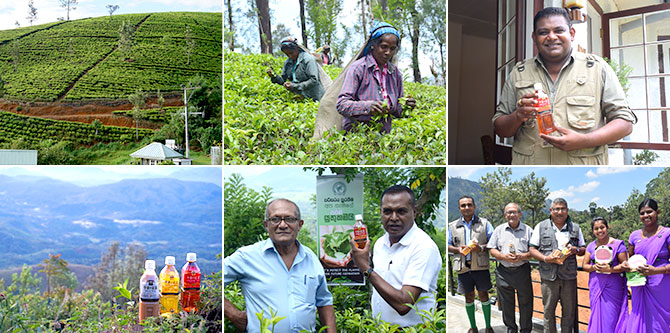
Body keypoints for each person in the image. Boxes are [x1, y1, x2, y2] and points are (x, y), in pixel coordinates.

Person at [492, 7, 636, 165]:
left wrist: (584, 140)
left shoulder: (597, 68)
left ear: (572, 34)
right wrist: (518, 116)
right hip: (530, 171)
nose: (551, 37)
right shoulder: (518, 73)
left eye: (559, 30)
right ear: (534, 37)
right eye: (543, 32)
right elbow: (500, 129)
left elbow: (625, 123)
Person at [224, 198, 337, 332]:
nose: (282, 225)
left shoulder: (310, 258)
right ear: (266, 224)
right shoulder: (247, 256)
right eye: (275, 219)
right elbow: (213, 280)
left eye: (289, 219)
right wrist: (234, 315)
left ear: (300, 224)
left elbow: (324, 302)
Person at [349, 185, 441, 327]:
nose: (393, 218)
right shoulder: (380, 243)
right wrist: (362, 259)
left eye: (401, 211)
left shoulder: (423, 247)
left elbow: (404, 304)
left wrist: (365, 267)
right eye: (387, 212)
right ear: (380, 213)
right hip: (381, 328)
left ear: (414, 212)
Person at [336, 21, 416, 134]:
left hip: (384, 135)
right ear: (373, 45)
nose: (388, 52)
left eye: (392, 49)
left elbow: (397, 111)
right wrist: (368, 106)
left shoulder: (395, 73)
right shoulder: (358, 68)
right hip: (358, 135)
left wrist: (406, 106)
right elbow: (342, 105)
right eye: (384, 47)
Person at [528, 198, 586, 333]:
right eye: (556, 209)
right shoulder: (541, 227)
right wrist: (546, 258)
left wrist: (575, 250)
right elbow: (532, 249)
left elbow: (583, 248)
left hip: (569, 276)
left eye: (563, 209)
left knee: (569, 312)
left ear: (567, 210)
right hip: (549, 277)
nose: (560, 212)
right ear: (551, 210)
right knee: (548, 311)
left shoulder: (575, 228)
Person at [620, 198, 670, 332]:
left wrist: (656, 271)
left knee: (661, 322)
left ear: (657, 212)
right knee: (640, 317)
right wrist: (626, 265)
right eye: (642, 213)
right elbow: (631, 259)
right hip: (639, 283)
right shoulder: (634, 236)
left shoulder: (666, 234)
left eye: (649, 212)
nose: (645, 215)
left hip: (660, 284)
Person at [448, 196, 495, 333]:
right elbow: (448, 244)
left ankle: (488, 326)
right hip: (463, 267)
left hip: (480, 266)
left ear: (474, 206)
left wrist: (480, 247)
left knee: (483, 295)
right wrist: (458, 249)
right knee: (468, 297)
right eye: (463, 205)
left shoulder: (485, 223)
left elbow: (493, 242)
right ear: (459, 208)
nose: (466, 208)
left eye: (469, 205)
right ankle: (473, 327)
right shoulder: (452, 226)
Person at [487, 203, 534, 333]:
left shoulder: (528, 230)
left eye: (514, 212)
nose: (512, 215)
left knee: (526, 303)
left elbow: (535, 251)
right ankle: (511, 329)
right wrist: (503, 256)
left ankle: (525, 330)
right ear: (505, 214)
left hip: (522, 270)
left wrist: (523, 256)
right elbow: (492, 249)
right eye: (509, 212)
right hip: (504, 271)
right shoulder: (499, 230)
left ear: (520, 214)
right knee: (506, 304)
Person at [581, 217, 628, 333]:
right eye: (596, 228)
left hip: (613, 287)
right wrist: (593, 267)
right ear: (593, 231)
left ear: (607, 227)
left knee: (611, 317)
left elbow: (625, 265)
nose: (599, 230)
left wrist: (610, 269)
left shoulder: (617, 244)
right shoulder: (591, 246)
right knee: (597, 315)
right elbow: (584, 265)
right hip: (596, 286)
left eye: (602, 227)